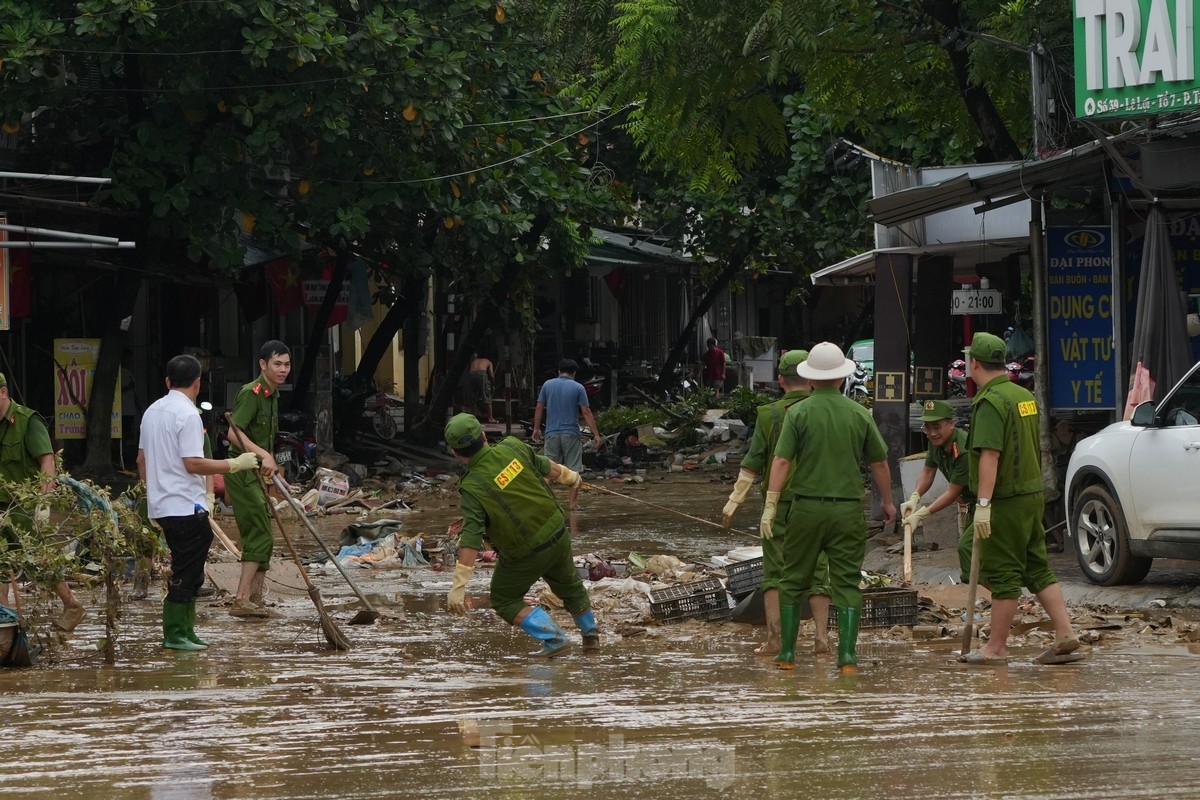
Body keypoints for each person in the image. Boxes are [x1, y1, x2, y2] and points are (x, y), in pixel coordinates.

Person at [761, 342, 896, 672]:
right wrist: (889, 503)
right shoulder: (859, 414)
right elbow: (878, 462)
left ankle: (787, 656)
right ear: (841, 377)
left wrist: (771, 504)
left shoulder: (798, 413)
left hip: (805, 509)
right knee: (846, 583)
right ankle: (847, 657)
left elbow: (780, 460)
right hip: (848, 510)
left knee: (792, 579)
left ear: (810, 379)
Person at [959, 332, 1080, 665]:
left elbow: (990, 456)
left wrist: (983, 505)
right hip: (1031, 495)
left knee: (1004, 572)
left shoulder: (990, 402)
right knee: (1036, 567)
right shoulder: (1024, 396)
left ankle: (996, 647)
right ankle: (1065, 632)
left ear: (975, 363)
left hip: (1005, 500)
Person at [443, 413, 598, 656]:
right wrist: (572, 477)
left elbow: (472, 536)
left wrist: (459, 585)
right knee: (570, 586)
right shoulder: (513, 446)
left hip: (526, 552)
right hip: (558, 532)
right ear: (484, 436)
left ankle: (555, 639)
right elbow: (548, 467)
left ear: (455, 453)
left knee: (504, 599)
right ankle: (590, 638)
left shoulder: (472, 486)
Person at [137, 355, 260, 650]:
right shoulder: (189, 415)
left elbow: (141, 460)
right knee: (187, 571)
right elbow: (193, 463)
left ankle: (185, 630)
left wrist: (151, 494)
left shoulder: (151, 412)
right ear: (198, 383)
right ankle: (176, 634)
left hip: (164, 505)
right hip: (183, 505)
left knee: (187, 566)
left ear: (167, 381)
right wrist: (234, 464)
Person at [721, 349, 832, 656]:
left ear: (781, 380)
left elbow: (754, 460)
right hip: (818, 503)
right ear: (811, 379)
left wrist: (736, 498)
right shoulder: (826, 410)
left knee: (775, 571)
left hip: (778, 504)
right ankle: (822, 638)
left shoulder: (769, 414)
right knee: (819, 569)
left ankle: (775, 640)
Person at [0, 372, 84, 632]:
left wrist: (42, 502)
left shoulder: (27, 421)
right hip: (1, 507)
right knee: (2, 563)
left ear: (2, 392)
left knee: (37, 560)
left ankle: (71, 604)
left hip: (23, 505)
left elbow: (47, 462)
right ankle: (5, 621)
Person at [224, 340, 290, 619]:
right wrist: (264, 455)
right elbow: (232, 433)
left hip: (258, 475)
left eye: (287, 365)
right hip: (241, 473)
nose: (283, 370)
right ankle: (241, 599)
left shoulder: (272, 396)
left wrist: (271, 466)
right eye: (277, 364)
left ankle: (255, 599)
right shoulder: (252, 393)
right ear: (263, 365)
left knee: (266, 533)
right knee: (258, 531)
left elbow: (265, 441)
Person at [900, 399, 975, 578]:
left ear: (951, 424)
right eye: (927, 428)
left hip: (991, 503)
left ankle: (1003, 598)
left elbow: (952, 492)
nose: (932, 433)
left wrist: (921, 514)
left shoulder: (962, 449)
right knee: (971, 556)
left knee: (968, 548)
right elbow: (928, 471)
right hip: (974, 504)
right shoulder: (936, 442)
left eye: (937, 427)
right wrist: (915, 496)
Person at [532, 358, 600, 477]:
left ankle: (549, 495)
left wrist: (536, 429)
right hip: (571, 433)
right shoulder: (578, 387)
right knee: (574, 473)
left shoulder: (547, 385)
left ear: (559, 371)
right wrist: (596, 434)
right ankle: (572, 496)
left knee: (550, 471)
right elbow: (586, 412)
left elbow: (539, 407)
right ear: (574, 373)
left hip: (551, 433)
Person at [465, 353, 497, 424]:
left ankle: (473, 418)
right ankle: (490, 418)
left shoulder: (474, 361)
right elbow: (491, 375)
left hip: (471, 373)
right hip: (481, 373)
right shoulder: (488, 362)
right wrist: (492, 384)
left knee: (472, 397)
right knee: (486, 396)